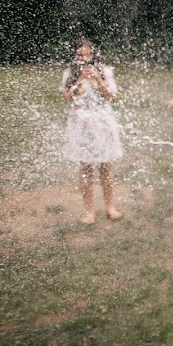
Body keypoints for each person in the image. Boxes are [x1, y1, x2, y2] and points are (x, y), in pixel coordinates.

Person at [59, 38, 123, 225]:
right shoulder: (69, 73)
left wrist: (99, 81)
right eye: (80, 55)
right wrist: (80, 81)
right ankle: (89, 211)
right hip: (81, 126)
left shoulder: (105, 71)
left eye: (88, 54)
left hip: (103, 124)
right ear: (75, 56)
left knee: (106, 167)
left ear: (94, 55)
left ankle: (110, 207)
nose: (84, 59)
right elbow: (67, 97)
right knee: (86, 169)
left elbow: (112, 96)